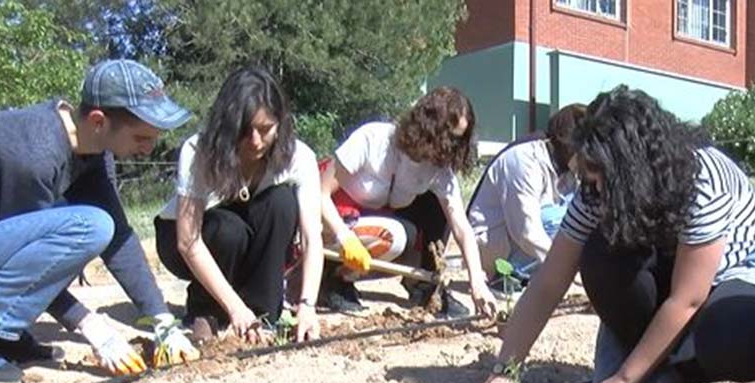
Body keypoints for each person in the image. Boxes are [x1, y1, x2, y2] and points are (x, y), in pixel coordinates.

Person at [472, 86, 755, 383]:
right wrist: (506, 370)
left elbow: (687, 298)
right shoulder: (596, 189)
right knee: (599, 257)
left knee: (725, 332)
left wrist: (624, 379)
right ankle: (665, 364)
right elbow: (549, 281)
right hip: (672, 273)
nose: (595, 188)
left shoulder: (703, 181)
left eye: (602, 179)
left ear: (631, 172)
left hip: (737, 274)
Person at [0, 59, 198, 383]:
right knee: (89, 227)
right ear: (99, 121)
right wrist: (91, 325)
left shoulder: (90, 150)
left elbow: (119, 239)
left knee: (98, 225)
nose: (148, 149)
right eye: (141, 138)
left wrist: (162, 321)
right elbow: (27, 261)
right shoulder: (36, 152)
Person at [155, 67, 323, 344]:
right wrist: (235, 308)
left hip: (250, 238)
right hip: (185, 239)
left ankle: (262, 313)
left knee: (282, 203)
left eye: (265, 130)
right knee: (228, 229)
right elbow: (188, 241)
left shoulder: (299, 157)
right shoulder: (198, 152)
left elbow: (311, 236)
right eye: (244, 131)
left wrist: (307, 305)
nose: (255, 142)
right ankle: (207, 310)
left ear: (280, 123)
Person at [319, 87, 496, 317]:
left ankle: (424, 284)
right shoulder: (373, 139)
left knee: (434, 207)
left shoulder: (438, 170)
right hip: (330, 221)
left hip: (375, 221)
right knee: (393, 237)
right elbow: (319, 194)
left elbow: (461, 226)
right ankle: (332, 279)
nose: (452, 147)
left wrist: (477, 282)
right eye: (449, 137)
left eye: (458, 140)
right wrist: (344, 237)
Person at [467, 104, 587, 288]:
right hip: (496, 251)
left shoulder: (568, 172)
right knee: (561, 220)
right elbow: (527, 232)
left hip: (522, 246)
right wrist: (567, 270)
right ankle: (507, 278)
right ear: (568, 144)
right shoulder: (524, 161)